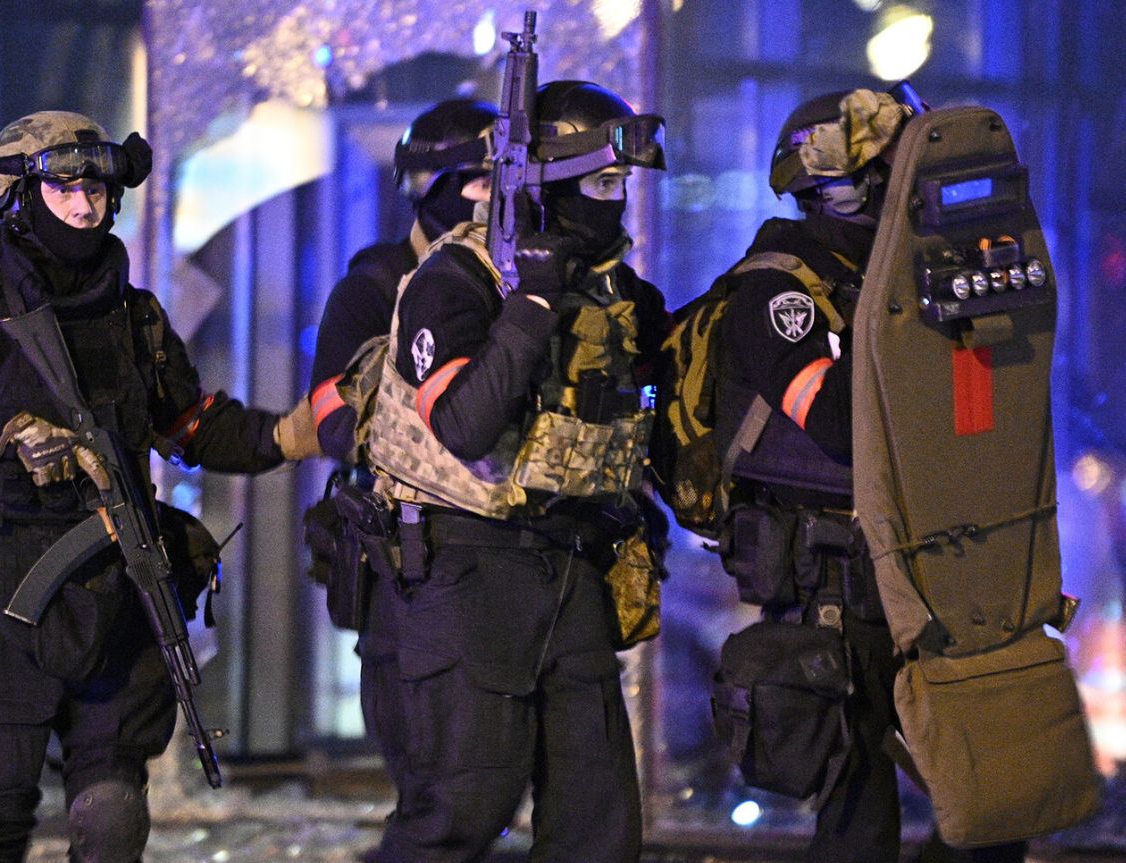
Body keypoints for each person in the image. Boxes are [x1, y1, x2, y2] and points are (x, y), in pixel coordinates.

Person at [0, 110, 305, 863]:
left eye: (96, 185)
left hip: (111, 595)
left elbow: (190, 425)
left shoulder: (133, 318)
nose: (84, 203)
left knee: (112, 816)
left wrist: (291, 434)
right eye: (64, 185)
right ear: (18, 197)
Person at [711, 89, 1026, 863]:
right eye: (881, 169)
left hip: (938, 566)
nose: (898, 186)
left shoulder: (918, 272)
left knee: (994, 798)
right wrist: (911, 306)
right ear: (830, 186)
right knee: (858, 823)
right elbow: (837, 426)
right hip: (835, 584)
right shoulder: (777, 289)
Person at [364, 80, 669, 862]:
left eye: (621, 185)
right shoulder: (456, 278)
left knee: (595, 824)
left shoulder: (618, 291)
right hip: (468, 564)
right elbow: (465, 424)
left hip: (571, 560)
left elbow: (639, 410)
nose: (616, 201)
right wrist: (529, 304)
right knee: (463, 808)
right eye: (602, 182)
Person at [306, 98, 496, 790]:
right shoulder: (374, 287)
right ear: (434, 188)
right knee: (430, 790)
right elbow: (334, 425)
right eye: (480, 181)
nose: (495, 198)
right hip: (411, 568)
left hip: (504, 570)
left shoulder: (514, 282)